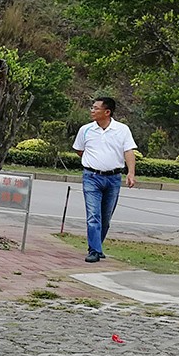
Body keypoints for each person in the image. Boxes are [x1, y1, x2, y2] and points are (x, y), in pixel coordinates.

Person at [72, 96, 137, 262]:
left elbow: (128, 151)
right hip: (91, 177)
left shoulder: (122, 130)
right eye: (92, 108)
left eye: (96, 108)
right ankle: (94, 250)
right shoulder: (86, 129)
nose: (92, 111)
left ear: (107, 112)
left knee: (105, 218)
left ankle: (97, 246)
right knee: (93, 215)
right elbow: (79, 150)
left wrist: (131, 173)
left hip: (113, 178)